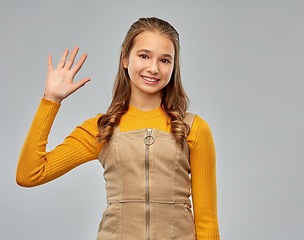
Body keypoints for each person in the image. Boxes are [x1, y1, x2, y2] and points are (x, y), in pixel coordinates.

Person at [16, 17, 220, 240]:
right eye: (144, 56)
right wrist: (50, 100)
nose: (153, 68)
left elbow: (206, 219)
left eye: (165, 60)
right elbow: (30, 174)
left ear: (173, 67)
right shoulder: (102, 128)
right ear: (125, 59)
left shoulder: (193, 128)